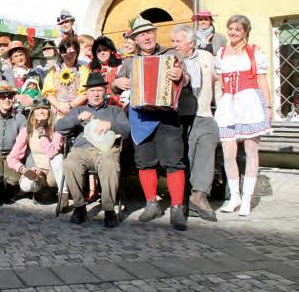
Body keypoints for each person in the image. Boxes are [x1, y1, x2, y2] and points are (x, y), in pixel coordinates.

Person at [111, 15, 189, 230]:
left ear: (155, 34)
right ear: (135, 39)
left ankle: (176, 207)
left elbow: (187, 80)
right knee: (144, 161)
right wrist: (118, 82)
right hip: (141, 117)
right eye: (141, 35)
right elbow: (114, 87)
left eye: (149, 33)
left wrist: (180, 75)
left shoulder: (172, 55)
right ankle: (151, 203)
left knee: (174, 161)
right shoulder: (129, 62)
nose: (146, 37)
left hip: (167, 116)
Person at [214, 15, 273, 216]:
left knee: (251, 151)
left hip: (249, 103)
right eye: (230, 29)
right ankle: (235, 197)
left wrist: (268, 107)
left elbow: (262, 80)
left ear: (245, 31)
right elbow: (219, 81)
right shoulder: (222, 53)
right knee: (228, 153)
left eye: (237, 29)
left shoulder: (253, 52)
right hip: (228, 104)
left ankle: (247, 198)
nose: (233, 33)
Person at [55, 73, 130, 226]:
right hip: (81, 150)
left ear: (105, 91)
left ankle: (109, 209)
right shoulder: (79, 110)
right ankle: (79, 207)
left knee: (109, 164)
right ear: (87, 93)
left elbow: (127, 131)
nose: (96, 94)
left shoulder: (114, 110)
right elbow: (59, 127)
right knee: (70, 163)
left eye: (99, 90)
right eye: (92, 91)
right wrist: (77, 119)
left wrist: (111, 125)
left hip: (106, 150)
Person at [170, 25, 218, 222]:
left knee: (209, 142)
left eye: (178, 41)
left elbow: (217, 81)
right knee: (186, 154)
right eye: (173, 41)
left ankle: (199, 195)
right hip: (181, 115)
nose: (174, 45)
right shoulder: (171, 61)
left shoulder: (207, 57)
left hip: (204, 112)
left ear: (191, 42)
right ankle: (183, 196)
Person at [6, 98, 64, 201]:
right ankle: (40, 190)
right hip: (37, 171)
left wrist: (41, 131)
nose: (41, 111)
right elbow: (11, 158)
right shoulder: (26, 131)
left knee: (57, 161)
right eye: (37, 109)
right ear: (33, 112)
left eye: (44, 109)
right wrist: (25, 170)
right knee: (26, 184)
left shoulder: (57, 130)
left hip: (54, 172)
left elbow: (52, 153)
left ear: (49, 112)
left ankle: (58, 191)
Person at [42, 39, 89, 119]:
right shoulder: (53, 71)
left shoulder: (83, 70)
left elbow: (85, 92)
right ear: (60, 53)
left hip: (78, 112)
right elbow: (48, 93)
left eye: (72, 53)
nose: (68, 56)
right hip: (57, 112)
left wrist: (70, 105)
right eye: (65, 53)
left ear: (77, 53)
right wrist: (59, 107)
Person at [89, 36, 124, 107]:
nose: (102, 53)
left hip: (116, 105)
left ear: (111, 51)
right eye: (99, 50)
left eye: (105, 50)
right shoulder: (91, 69)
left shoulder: (120, 67)